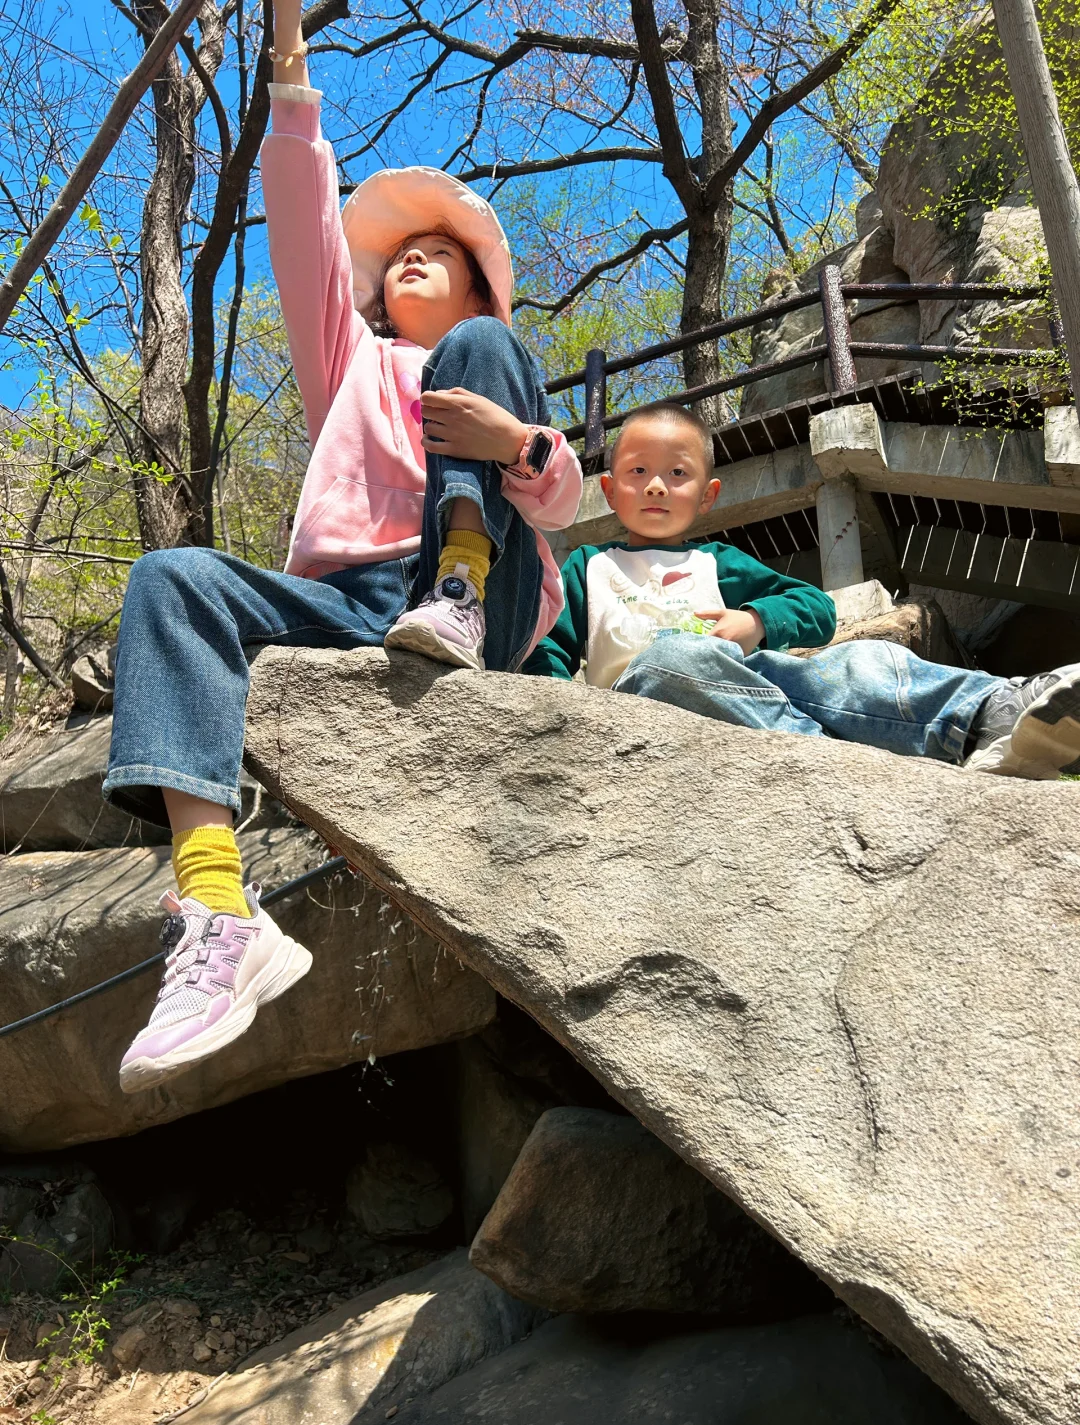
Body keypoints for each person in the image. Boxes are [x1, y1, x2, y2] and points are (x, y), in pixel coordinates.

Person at [104, 1, 582, 1095]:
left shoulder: (489, 348)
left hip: (479, 592)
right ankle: (221, 914)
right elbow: (303, 227)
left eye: (433, 257)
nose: (406, 266)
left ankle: (454, 585)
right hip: (350, 610)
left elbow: (560, 509)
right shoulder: (354, 366)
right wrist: (286, 58)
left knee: (486, 360)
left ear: (475, 282)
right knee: (172, 578)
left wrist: (520, 443)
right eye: (397, 259)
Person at [525, 401, 1080, 780]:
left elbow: (814, 607)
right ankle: (847, 759)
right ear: (609, 489)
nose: (654, 485)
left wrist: (757, 621)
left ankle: (990, 714)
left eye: (677, 474)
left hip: (752, 694)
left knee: (867, 659)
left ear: (708, 495)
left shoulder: (716, 562)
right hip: (642, 710)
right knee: (669, 657)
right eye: (638, 470)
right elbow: (548, 649)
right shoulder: (590, 567)